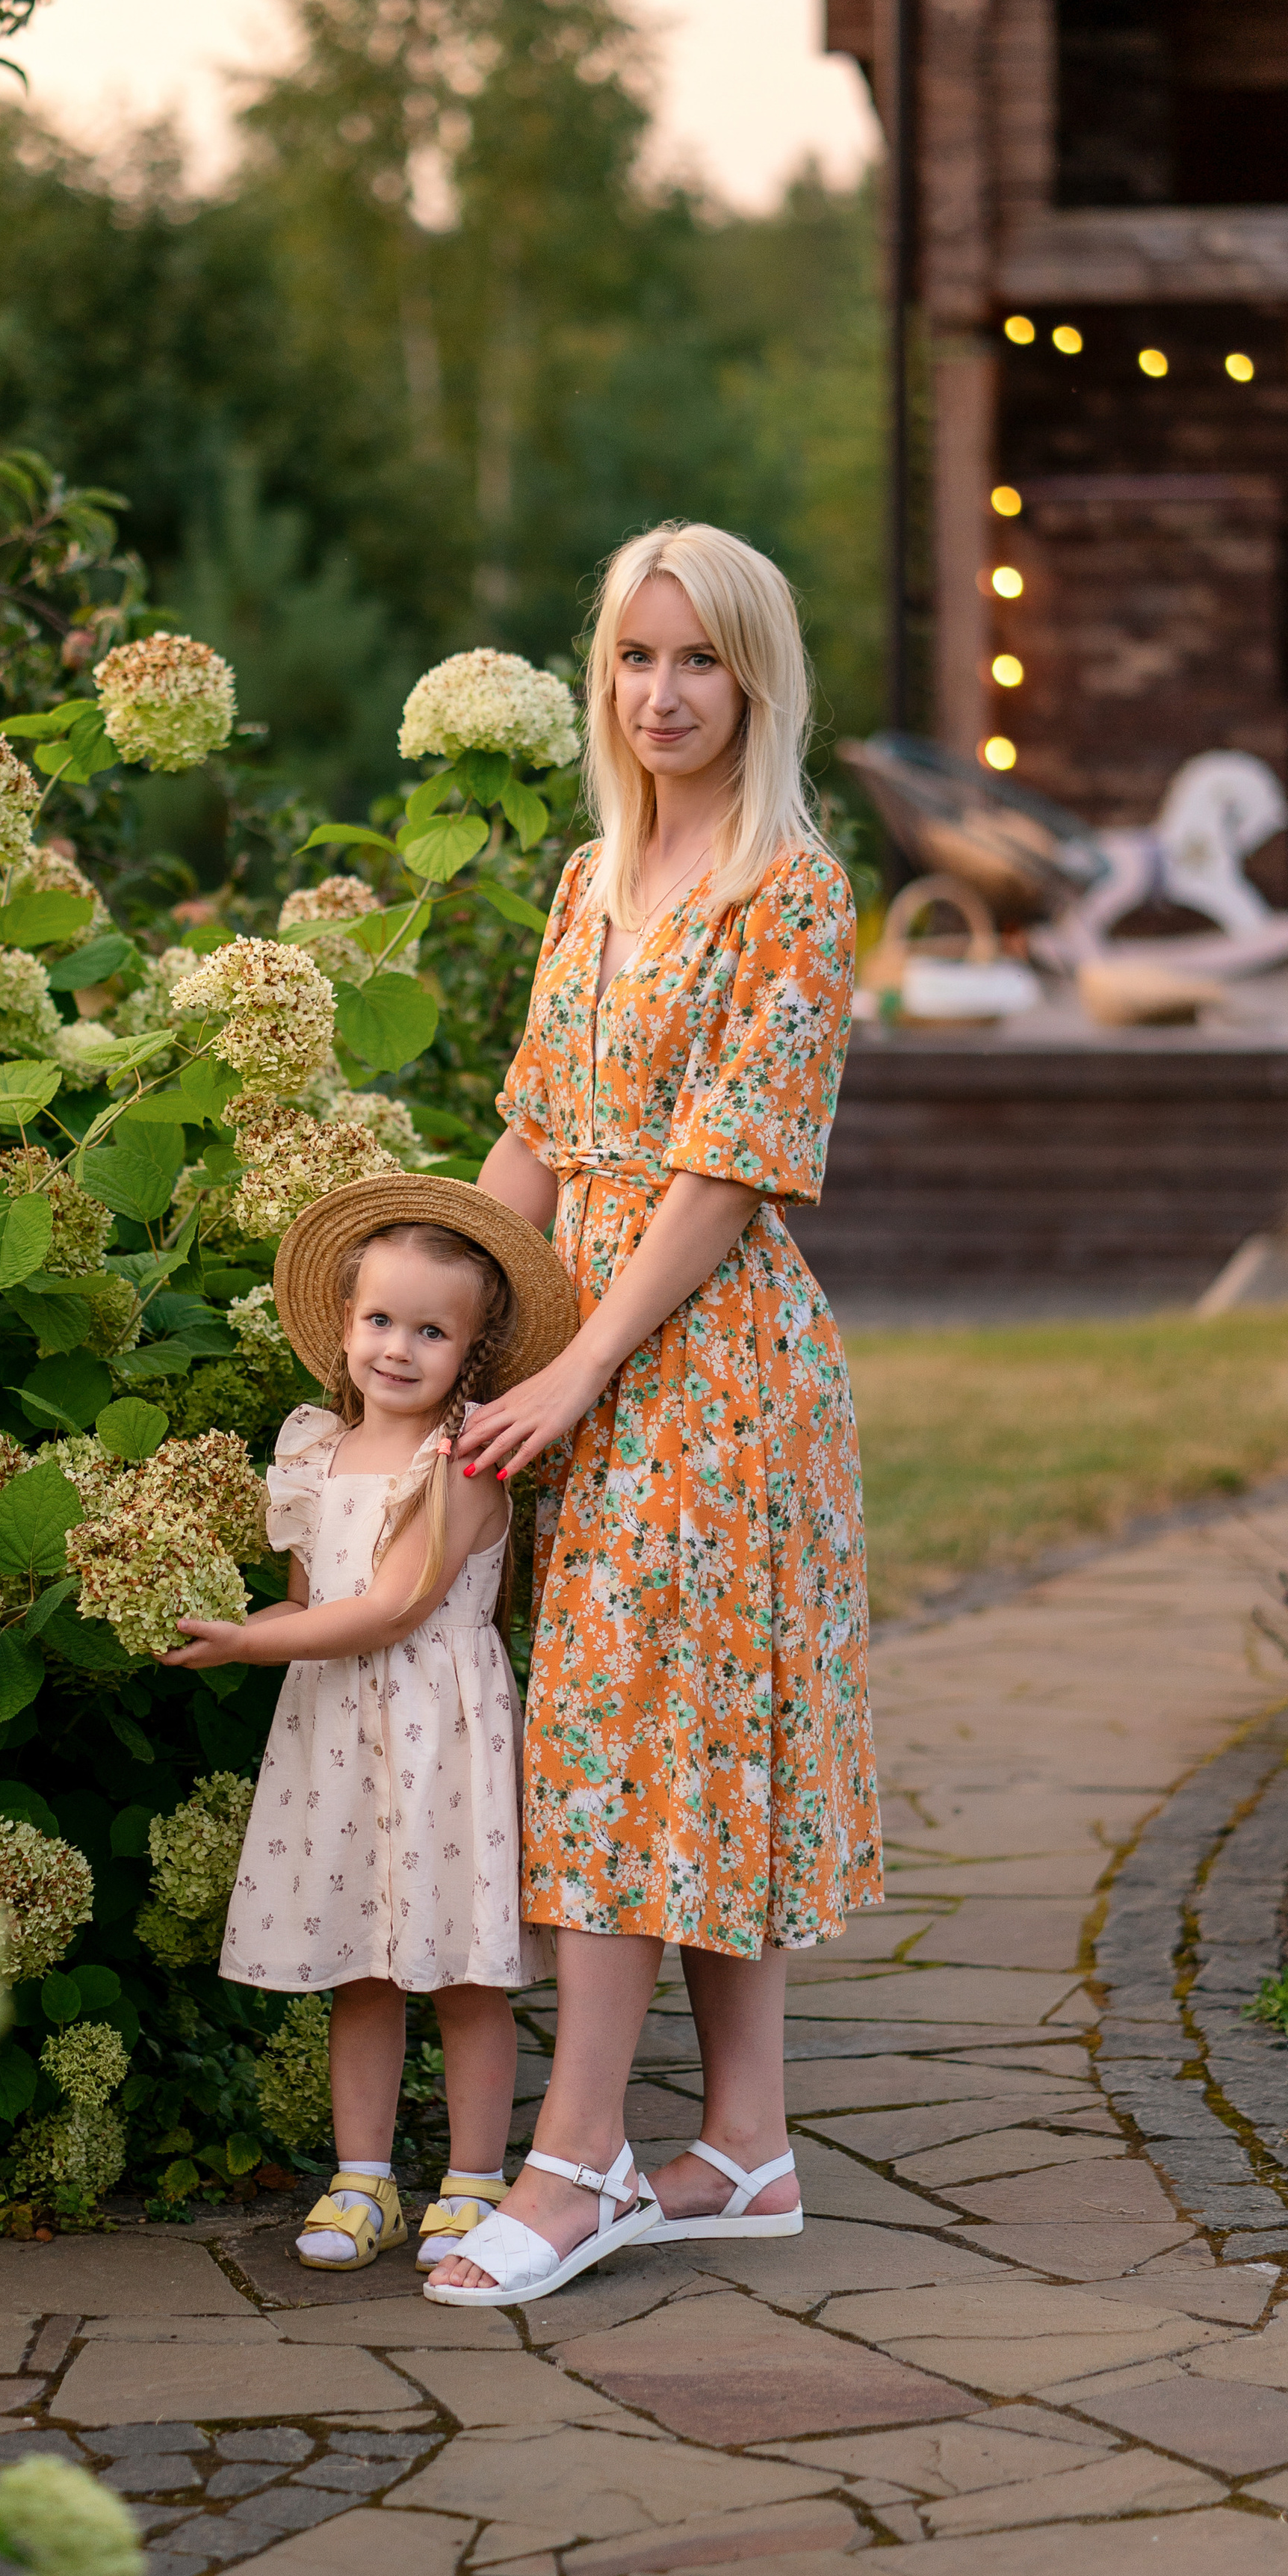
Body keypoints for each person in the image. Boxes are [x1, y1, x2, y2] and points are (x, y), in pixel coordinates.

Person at [425, 518, 881, 2308]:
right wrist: (445, 1319)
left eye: (697, 659)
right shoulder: (587, 875)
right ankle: (746, 2146)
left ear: (752, 678)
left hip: (710, 1376)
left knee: (621, 1755)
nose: (662, 692)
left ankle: (580, 2158)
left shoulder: (790, 891)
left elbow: (717, 1181)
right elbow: (535, 1130)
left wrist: (570, 1367)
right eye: (634, 657)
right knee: (666, 1754)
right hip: (571, 1355)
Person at [158, 1176, 577, 2275]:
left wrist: (253, 1647)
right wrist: (240, 1617)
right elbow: (312, 1599)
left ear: (473, 1354)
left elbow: (391, 1607)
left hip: (436, 1728)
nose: (398, 1348)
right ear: (344, 1328)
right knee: (364, 1966)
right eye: (380, 1321)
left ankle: (476, 2179)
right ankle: (364, 2181)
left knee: (463, 1969)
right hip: (339, 1731)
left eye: (431, 1331)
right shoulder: (313, 1452)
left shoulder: (465, 1465)